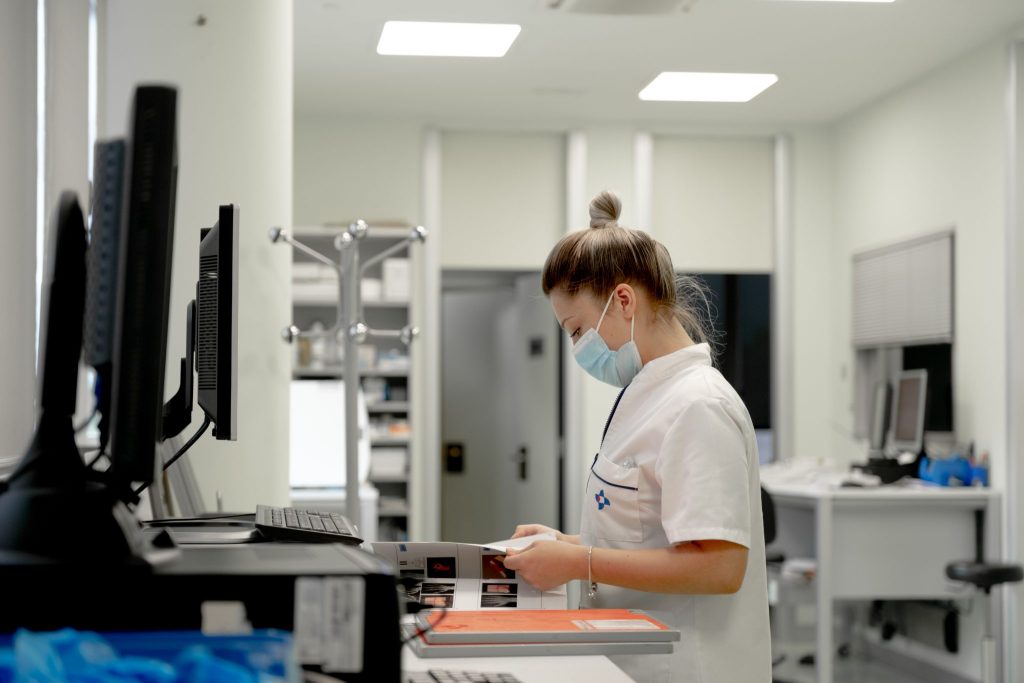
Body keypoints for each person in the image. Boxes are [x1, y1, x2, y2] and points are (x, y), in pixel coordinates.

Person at [501, 190, 771, 682]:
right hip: (634, 656)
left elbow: (719, 567)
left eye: (577, 329)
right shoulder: (645, 395)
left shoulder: (698, 405)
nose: (577, 347)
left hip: (689, 667)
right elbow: (649, 536)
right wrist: (563, 544)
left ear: (622, 300)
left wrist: (577, 561)